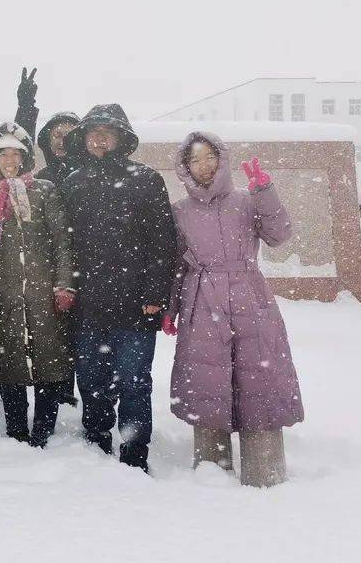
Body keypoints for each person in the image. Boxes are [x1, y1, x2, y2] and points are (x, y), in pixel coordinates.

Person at [163, 132, 303, 487]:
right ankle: (213, 472)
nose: (203, 166)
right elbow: (177, 265)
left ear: (221, 159)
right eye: (195, 160)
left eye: (209, 157)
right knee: (207, 384)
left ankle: (265, 471)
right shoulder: (179, 211)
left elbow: (279, 235)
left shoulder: (246, 201)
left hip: (249, 298)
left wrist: (265, 192)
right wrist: (171, 308)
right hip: (202, 300)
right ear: (186, 167)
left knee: (259, 380)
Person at [58, 104, 178, 472]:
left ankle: (134, 457)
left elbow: (162, 241)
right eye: (92, 132)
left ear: (121, 138)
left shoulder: (145, 178)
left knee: (134, 384)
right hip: (88, 305)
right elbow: (63, 244)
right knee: (91, 382)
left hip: (136, 306)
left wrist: (155, 294)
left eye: (106, 132)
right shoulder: (73, 182)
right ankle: (96, 451)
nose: (99, 138)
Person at [0, 123, 76, 448]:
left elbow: (62, 241)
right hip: (3, 296)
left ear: (24, 157)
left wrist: (63, 284)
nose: (9, 160)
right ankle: (16, 432)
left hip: (43, 293)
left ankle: (43, 432)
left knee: (48, 360)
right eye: (2, 154)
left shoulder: (44, 190)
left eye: (15, 154)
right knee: (8, 363)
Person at [11, 67, 82, 406]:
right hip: (51, 269)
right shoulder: (39, 179)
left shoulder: (91, 172)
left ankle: (83, 395)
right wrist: (26, 105)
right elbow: (16, 142)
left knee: (85, 339)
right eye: (56, 134)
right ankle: (62, 393)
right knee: (54, 335)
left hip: (91, 265)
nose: (62, 139)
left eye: (69, 133)